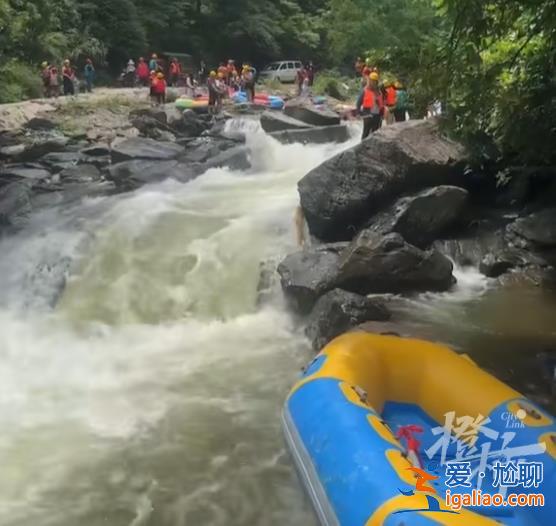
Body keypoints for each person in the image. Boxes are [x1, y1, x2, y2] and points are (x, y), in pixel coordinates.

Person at [356, 72, 384, 140]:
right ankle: (362, 148)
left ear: (377, 82)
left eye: (375, 81)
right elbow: (358, 103)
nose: (373, 83)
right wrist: (360, 113)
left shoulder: (379, 92)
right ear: (369, 80)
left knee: (375, 134)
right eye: (372, 81)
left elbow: (381, 104)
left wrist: (382, 114)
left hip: (377, 116)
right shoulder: (364, 91)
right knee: (366, 133)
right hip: (367, 115)